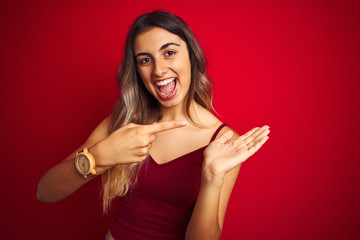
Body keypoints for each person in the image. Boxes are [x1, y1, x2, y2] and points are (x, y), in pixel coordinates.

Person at [37, 10, 270, 240]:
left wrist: (212, 178)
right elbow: (45, 192)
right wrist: (98, 157)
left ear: (191, 56)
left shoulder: (224, 142)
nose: (158, 70)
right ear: (137, 70)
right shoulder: (123, 122)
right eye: (145, 60)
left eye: (169, 52)